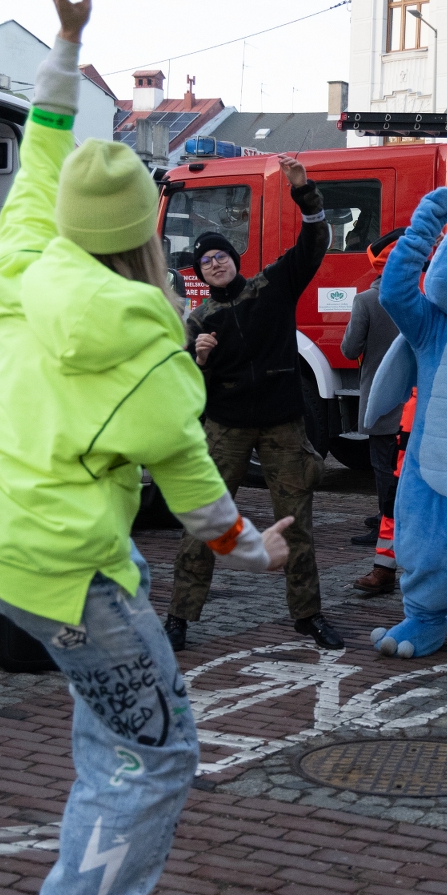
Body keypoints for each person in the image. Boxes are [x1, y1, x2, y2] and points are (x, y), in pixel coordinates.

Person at [0, 0, 292, 895]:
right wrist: (256, 553)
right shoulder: (156, 353)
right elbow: (205, 506)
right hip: (54, 572)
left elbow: (42, 144)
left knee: (111, 715)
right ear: (146, 234)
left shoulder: (22, 256)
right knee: (155, 752)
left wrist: (68, 37)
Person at [165, 157, 346, 652]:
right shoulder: (199, 319)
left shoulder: (273, 286)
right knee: (205, 520)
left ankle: (308, 616)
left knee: (298, 524)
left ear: (233, 258)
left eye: (221, 255)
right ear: (199, 271)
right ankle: (180, 616)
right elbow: (183, 391)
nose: (215, 263)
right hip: (225, 428)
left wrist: (303, 191)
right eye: (205, 260)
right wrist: (197, 361)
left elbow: (315, 241)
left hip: (283, 426)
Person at [342, 232, 406, 596]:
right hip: (414, 408)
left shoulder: (366, 300)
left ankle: (384, 532)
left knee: (384, 473)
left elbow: (351, 349)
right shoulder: (422, 299)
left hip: (381, 405)